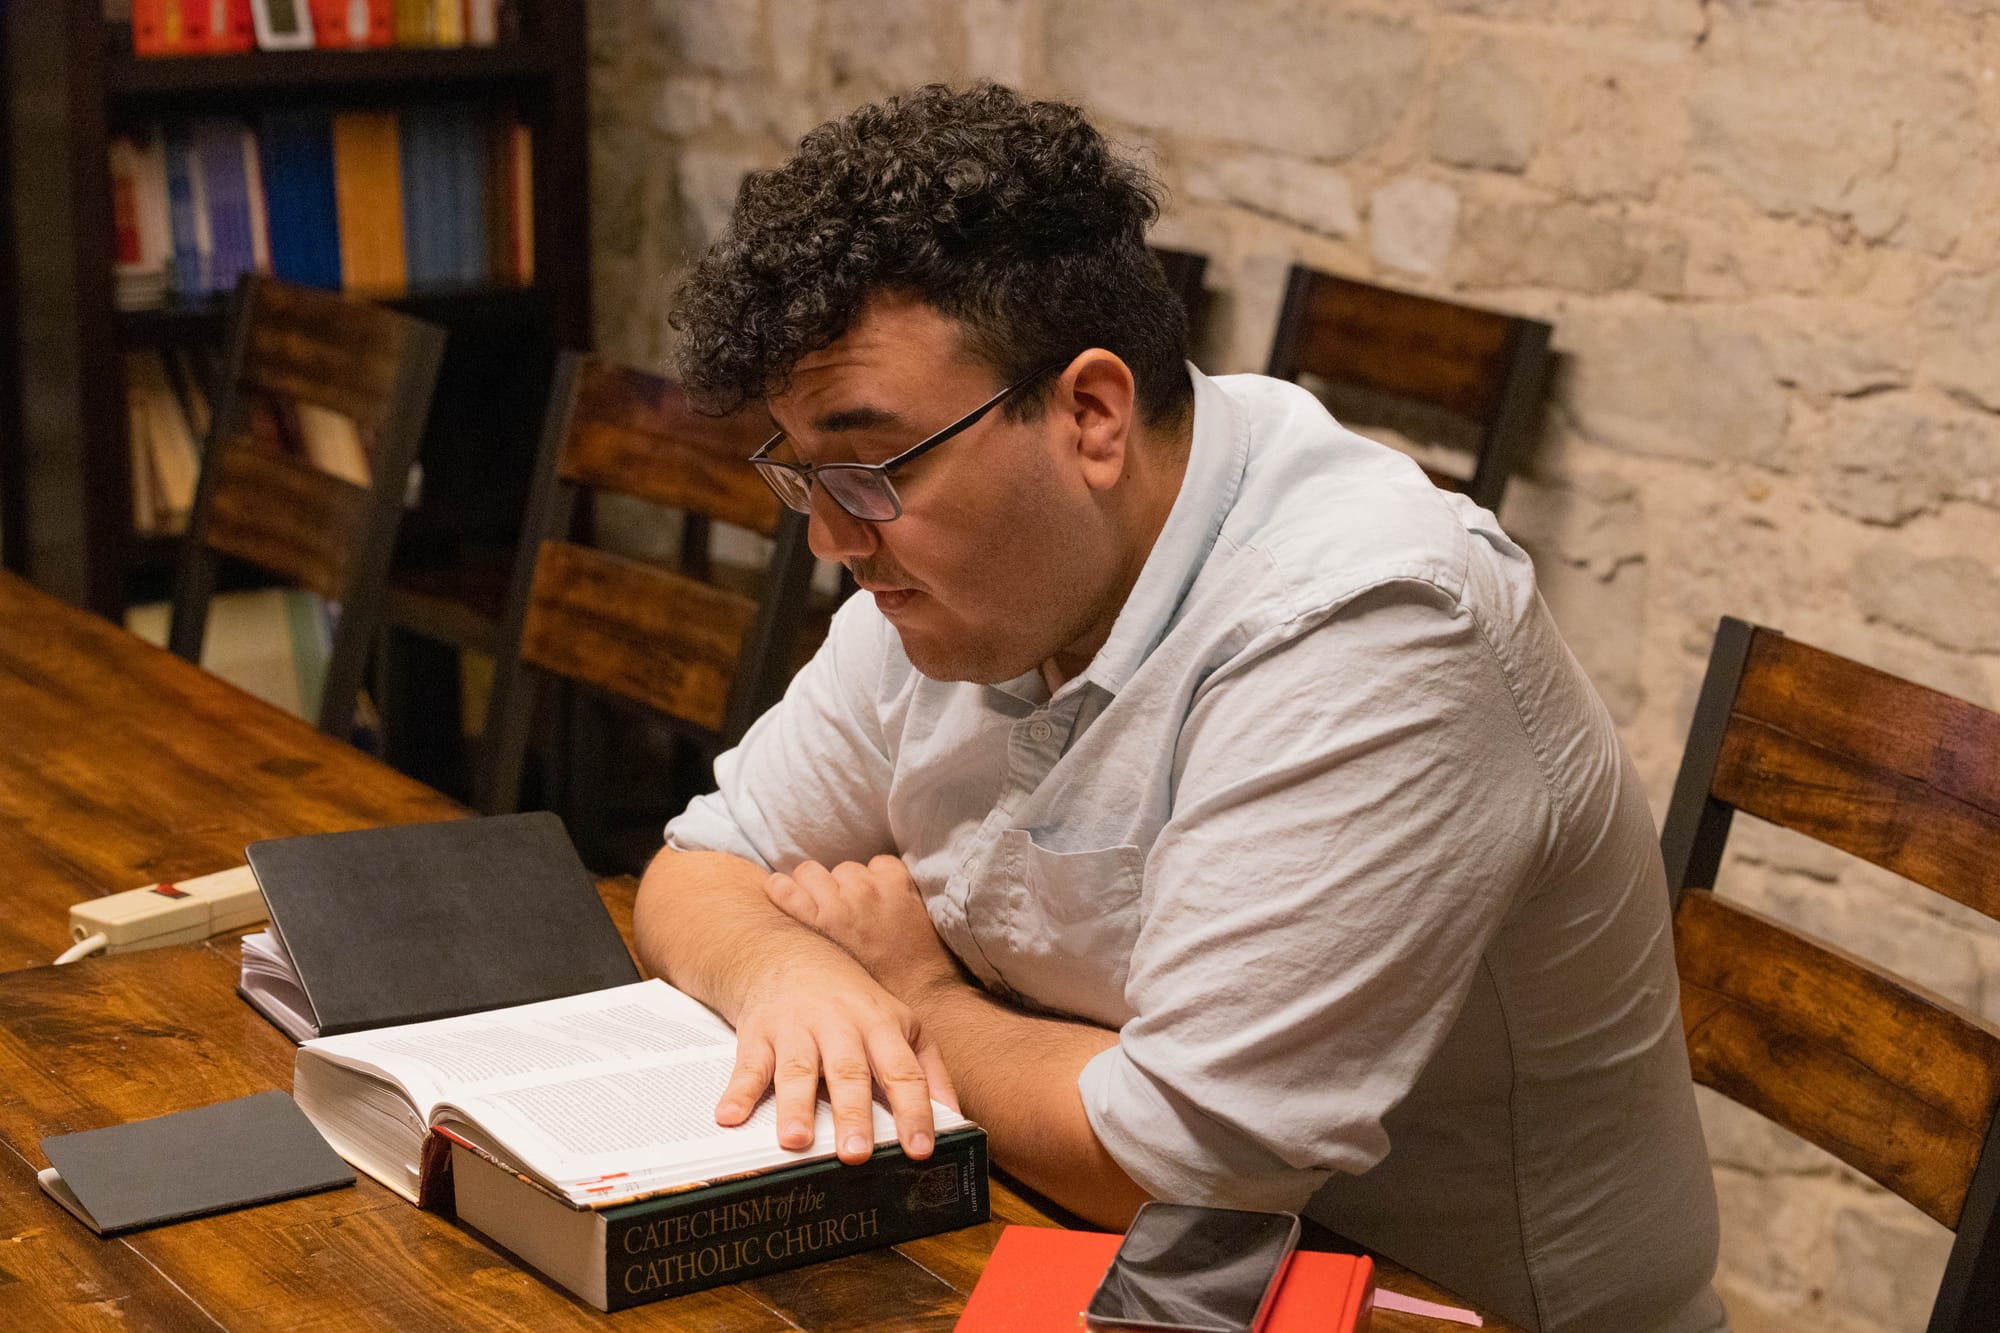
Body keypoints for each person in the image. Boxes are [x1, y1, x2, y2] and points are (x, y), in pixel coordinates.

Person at [633, 82, 1727, 1333]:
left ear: (1090, 414)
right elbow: (698, 868)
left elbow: (1175, 1161)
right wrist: (786, 972)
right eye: (800, 472)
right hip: (1088, 1260)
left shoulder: (1368, 623)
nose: (831, 536)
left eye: (869, 467)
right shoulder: (966, 574)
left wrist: (911, 991)